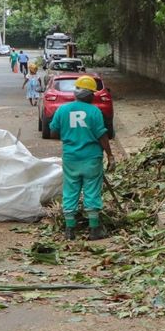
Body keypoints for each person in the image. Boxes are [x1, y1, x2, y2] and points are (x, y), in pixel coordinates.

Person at [49, 75, 121, 241]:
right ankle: (94, 229)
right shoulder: (94, 111)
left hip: (71, 158)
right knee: (92, 191)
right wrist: (110, 155)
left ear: (76, 93)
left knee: (70, 190)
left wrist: (69, 136)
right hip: (91, 158)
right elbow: (102, 136)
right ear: (90, 95)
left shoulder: (62, 110)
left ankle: (69, 230)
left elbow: (53, 131)